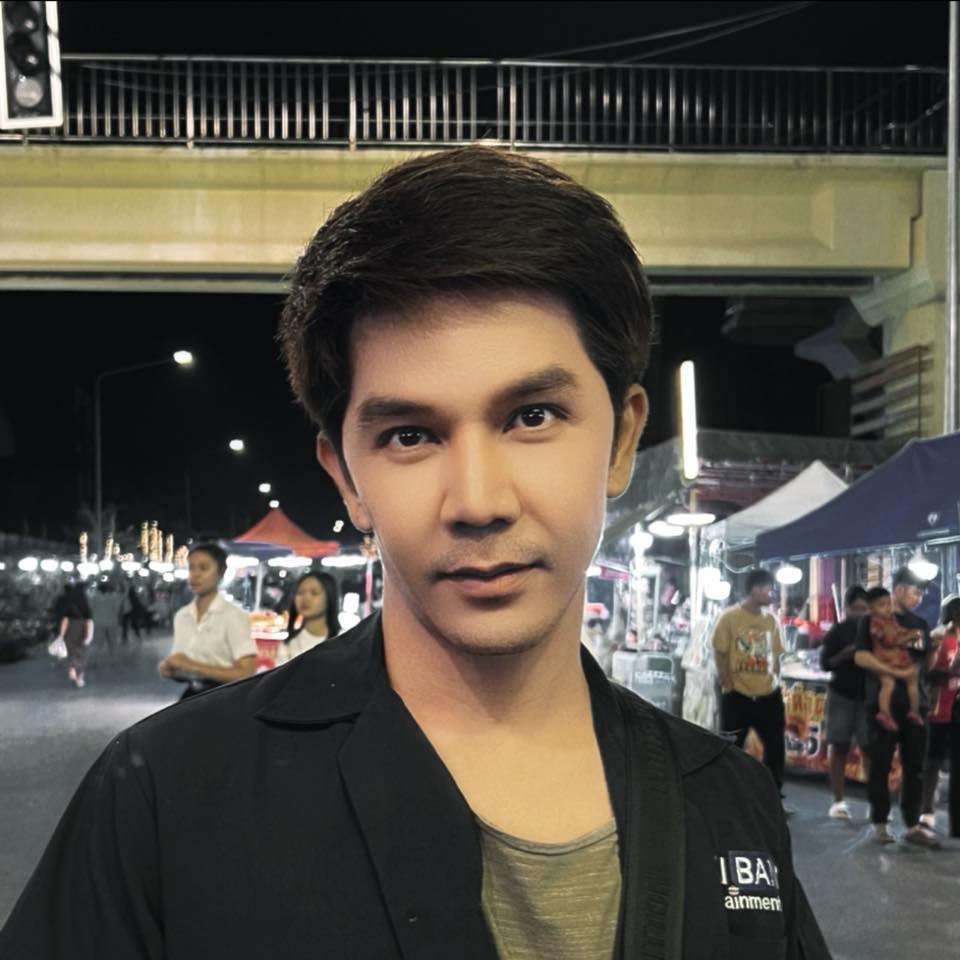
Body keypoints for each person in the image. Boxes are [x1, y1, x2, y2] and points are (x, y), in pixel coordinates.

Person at [0, 148, 830, 959]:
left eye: (532, 416)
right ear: (346, 479)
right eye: (409, 435)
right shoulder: (167, 800)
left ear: (621, 440)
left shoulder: (728, 800)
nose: (478, 502)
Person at [854, 568, 937, 846]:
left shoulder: (920, 624)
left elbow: (924, 664)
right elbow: (861, 657)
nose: (918, 598)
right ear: (899, 589)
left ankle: (912, 824)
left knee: (915, 765)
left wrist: (934, 655)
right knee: (881, 763)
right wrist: (895, 671)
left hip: (915, 705)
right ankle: (879, 822)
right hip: (883, 705)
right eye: (915, 591)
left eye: (921, 593)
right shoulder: (872, 621)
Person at [712, 568, 786, 794]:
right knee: (731, 747)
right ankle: (728, 793)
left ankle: (773, 793)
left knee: (775, 745)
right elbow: (720, 652)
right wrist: (727, 683)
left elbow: (777, 655)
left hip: (768, 694)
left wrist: (775, 679)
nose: (771, 594)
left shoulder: (771, 621)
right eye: (768, 589)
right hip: (738, 694)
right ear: (755, 590)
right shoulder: (729, 618)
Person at [158, 543, 257, 700]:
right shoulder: (182, 616)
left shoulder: (233, 616)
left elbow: (246, 673)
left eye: (203, 568)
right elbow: (185, 667)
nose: (195, 574)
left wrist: (192, 666)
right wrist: (173, 670)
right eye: (191, 568)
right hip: (192, 695)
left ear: (220, 573)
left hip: (224, 698)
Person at [818, 585, 869, 819]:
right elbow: (825, 664)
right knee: (839, 747)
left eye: (864, 608)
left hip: (868, 696)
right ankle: (838, 801)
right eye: (856, 608)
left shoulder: (876, 631)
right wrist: (844, 655)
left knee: (869, 749)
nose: (860, 613)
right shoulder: (837, 632)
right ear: (847, 608)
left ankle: (876, 802)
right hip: (841, 694)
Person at [920, 596, 960, 836]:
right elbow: (926, 672)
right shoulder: (938, 637)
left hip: (956, 711)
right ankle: (926, 812)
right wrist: (950, 672)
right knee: (932, 762)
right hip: (937, 709)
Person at [864, 587, 923, 731]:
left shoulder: (891, 619)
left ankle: (913, 711)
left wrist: (908, 633)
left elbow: (898, 631)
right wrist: (907, 637)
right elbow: (889, 640)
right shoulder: (874, 624)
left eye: (889, 603)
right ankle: (887, 713)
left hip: (897, 658)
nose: (887, 608)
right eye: (882, 605)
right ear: (871, 608)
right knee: (890, 683)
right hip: (886, 659)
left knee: (908, 681)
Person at [278, 570, 341, 663]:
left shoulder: (345, 641)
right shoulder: (288, 645)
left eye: (314, 593)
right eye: (300, 593)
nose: (306, 598)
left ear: (330, 596)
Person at [52, 582, 94, 689]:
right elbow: (89, 621)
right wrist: (89, 635)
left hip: (69, 628)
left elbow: (64, 620)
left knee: (70, 651)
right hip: (83, 628)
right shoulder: (85, 603)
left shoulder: (67, 602)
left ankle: (72, 669)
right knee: (82, 652)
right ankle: (80, 677)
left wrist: (61, 635)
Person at [87, 581, 122, 655]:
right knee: (113, 641)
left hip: (98, 622)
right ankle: (113, 656)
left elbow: (90, 609)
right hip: (112, 622)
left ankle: (96, 657)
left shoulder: (94, 598)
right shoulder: (113, 598)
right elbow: (117, 609)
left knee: (97, 642)